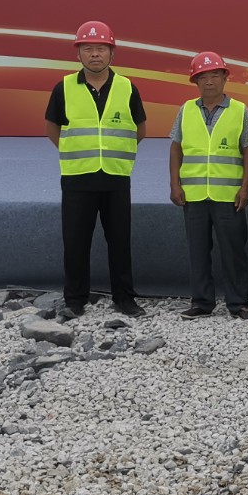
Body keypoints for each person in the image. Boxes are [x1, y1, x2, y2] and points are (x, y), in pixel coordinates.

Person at [43, 20, 146, 318]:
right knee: (76, 242)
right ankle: (75, 299)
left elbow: (139, 128)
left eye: (101, 48)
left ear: (112, 52)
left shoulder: (127, 88)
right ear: (78, 53)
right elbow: (52, 127)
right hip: (78, 177)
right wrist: (73, 150)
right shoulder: (64, 87)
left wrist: (116, 151)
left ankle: (124, 298)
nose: (95, 54)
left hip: (115, 176)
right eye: (87, 48)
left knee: (120, 242)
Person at [169, 52, 248, 319]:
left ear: (225, 78)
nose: (209, 82)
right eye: (203, 77)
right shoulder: (186, 110)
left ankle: (238, 303)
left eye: (215, 75)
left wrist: (245, 188)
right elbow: (176, 148)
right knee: (198, 252)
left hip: (229, 196)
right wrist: (174, 184)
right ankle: (202, 302)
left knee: (234, 251)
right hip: (194, 195)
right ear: (195, 81)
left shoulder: (240, 110)